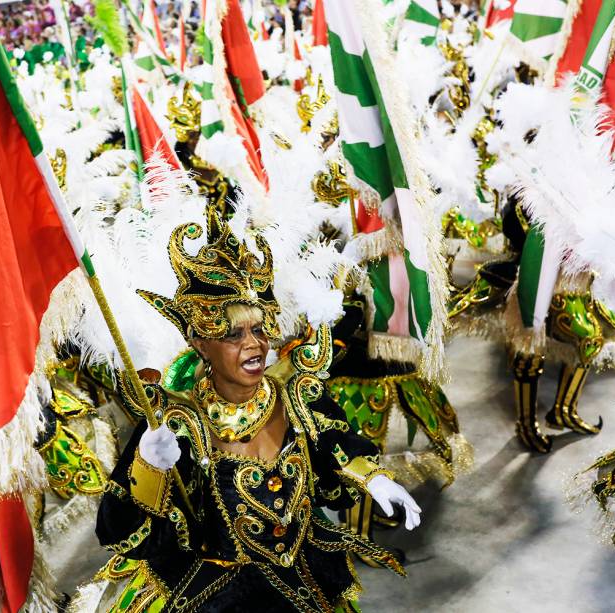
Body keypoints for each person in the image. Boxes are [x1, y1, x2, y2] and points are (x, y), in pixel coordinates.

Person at [94, 210, 421, 611]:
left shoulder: (297, 394)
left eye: (259, 329)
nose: (253, 345)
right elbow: (120, 527)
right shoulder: (179, 424)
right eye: (232, 335)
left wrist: (373, 479)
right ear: (199, 343)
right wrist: (148, 465)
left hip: (303, 580)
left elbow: (334, 445)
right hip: (216, 594)